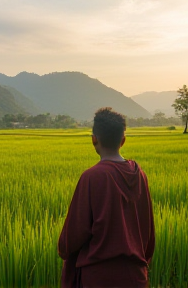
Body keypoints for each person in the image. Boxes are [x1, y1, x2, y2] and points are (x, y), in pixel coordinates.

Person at [58, 107, 155, 288]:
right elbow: (148, 228)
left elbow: (73, 236)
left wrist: (63, 249)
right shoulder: (139, 174)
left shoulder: (93, 177)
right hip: (136, 277)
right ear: (123, 140)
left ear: (94, 139)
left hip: (98, 278)